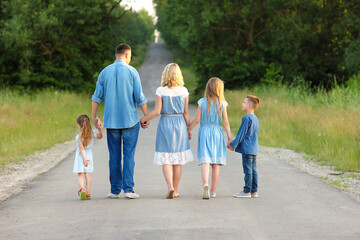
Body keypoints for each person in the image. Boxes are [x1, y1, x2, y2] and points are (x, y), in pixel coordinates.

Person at [92, 43, 149, 199]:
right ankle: (129, 190)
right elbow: (140, 97)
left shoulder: (104, 72)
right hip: (130, 121)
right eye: (129, 56)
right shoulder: (132, 72)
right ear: (126, 55)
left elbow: (97, 97)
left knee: (114, 156)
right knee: (129, 155)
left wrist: (94, 116)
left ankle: (115, 190)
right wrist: (146, 116)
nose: (129, 59)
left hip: (111, 122)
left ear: (115, 55)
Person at [140, 63, 193, 199]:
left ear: (166, 74)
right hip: (180, 124)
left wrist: (144, 118)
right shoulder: (184, 91)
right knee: (177, 160)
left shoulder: (161, 90)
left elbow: (157, 111)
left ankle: (169, 187)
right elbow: (186, 112)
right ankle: (175, 190)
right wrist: (188, 128)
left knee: (166, 158)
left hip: (165, 124)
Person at [187, 77, 232, 199]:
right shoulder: (222, 103)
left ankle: (205, 183)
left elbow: (197, 120)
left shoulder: (202, 102)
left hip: (205, 132)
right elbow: (226, 123)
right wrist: (229, 137)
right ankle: (213, 191)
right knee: (215, 163)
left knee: (205, 161)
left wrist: (188, 129)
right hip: (217, 133)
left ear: (208, 88)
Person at [228, 95, 260, 198]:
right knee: (253, 170)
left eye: (244, 102)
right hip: (254, 149)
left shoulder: (246, 118)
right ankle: (254, 191)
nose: (242, 104)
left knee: (248, 170)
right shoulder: (255, 118)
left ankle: (246, 191)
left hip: (247, 149)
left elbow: (241, 134)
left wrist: (233, 145)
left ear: (250, 105)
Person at [73, 114, 103, 200]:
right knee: (88, 174)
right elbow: (100, 137)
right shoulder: (92, 133)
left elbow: (81, 149)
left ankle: (82, 189)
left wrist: (84, 159)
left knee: (80, 174)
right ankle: (87, 193)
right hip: (89, 155)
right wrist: (99, 129)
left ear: (79, 125)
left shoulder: (79, 137)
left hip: (80, 157)